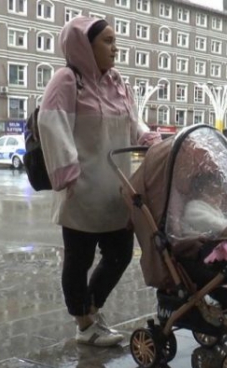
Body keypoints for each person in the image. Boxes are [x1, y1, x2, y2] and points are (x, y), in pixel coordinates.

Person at [39, 17, 159, 347]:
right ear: (84, 46)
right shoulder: (67, 80)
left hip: (116, 188)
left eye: (114, 40)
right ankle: (83, 323)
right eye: (107, 41)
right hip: (82, 188)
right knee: (78, 259)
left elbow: (132, 119)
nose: (114, 47)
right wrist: (66, 170)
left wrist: (146, 136)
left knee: (119, 254)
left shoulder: (116, 80)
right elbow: (51, 122)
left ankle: (91, 308)